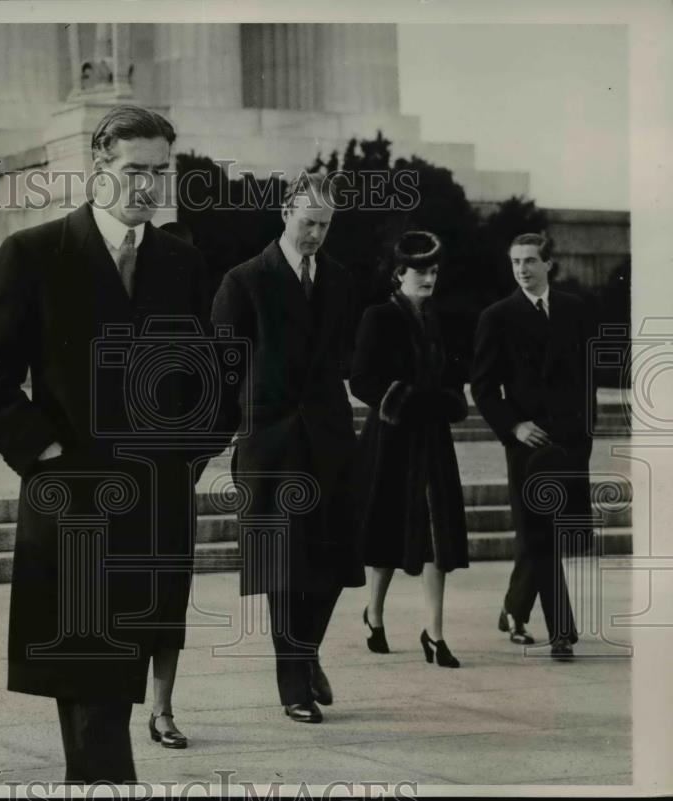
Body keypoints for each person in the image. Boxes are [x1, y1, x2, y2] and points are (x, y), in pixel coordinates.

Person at [0, 105, 219, 781]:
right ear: (98, 169)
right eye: (135, 170)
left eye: (160, 172)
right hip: (73, 505)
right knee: (93, 685)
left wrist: (188, 454)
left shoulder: (182, 263)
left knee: (113, 679)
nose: (149, 186)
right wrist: (45, 451)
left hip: (155, 505)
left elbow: (207, 375)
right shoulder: (34, 253)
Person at [211, 172, 364, 724]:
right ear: (285, 213)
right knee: (283, 568)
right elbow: (223, 371)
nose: (315, 235)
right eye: (307, 223)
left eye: (324, 226)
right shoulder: (245, 281)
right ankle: (292, 686)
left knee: (334, 561)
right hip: (271, 447)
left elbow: (340, 360)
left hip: (328, 441)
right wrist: (222, 440)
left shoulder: (341, 280)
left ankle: (306, 652)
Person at [471, 232, 596, 660]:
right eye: (515, 262)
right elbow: (484, 389)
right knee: (541, 534)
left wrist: (585, 439)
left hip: (571, 443)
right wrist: (515, 426)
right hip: (528, 445)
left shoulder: (575, 311)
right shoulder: (497, 316)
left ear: (548, 264)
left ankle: (512, 608)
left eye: (529, 261)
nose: (522, 269)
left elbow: (586, 380)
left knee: (543, 537)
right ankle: (562, 632)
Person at [349, 231, 470, 668]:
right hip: (392, 442)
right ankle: (374, 613)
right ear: (399, 273)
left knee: (439, 538)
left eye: (434, 271)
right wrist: (404, 400)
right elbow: (361, 379)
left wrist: (449, 400)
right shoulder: (378, 317)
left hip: (433, 442)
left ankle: (435, 634)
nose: (429, 279)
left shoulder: (444, 320)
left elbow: (457, 375)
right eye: (421, 271)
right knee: (388, 535)